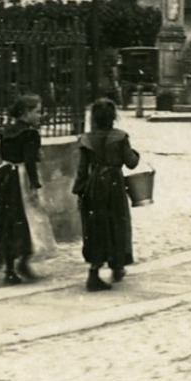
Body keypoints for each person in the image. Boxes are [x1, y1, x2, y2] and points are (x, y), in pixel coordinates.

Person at [0, 94, 57, 285]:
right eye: (37, 111)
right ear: (26, 112)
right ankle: (24, 261)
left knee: (8, 221)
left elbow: (4, 153)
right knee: (29, 219)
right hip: (20, 178)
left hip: (4, 175)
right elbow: (29, 161)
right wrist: (35, 185)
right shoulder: (30, 133)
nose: (40, 115)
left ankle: (10, 268)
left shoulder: (7, 130)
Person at [74, 97, 140, 292]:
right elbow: (132, 162)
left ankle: (94, 272)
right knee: (117, 224)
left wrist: (79, 192)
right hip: (114, 185)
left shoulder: (86, 139)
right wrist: (134, 152)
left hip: (93, 185)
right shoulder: (120, 137)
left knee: (96, 226)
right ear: (113, 117)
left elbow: (81, 169)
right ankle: (117, 265)